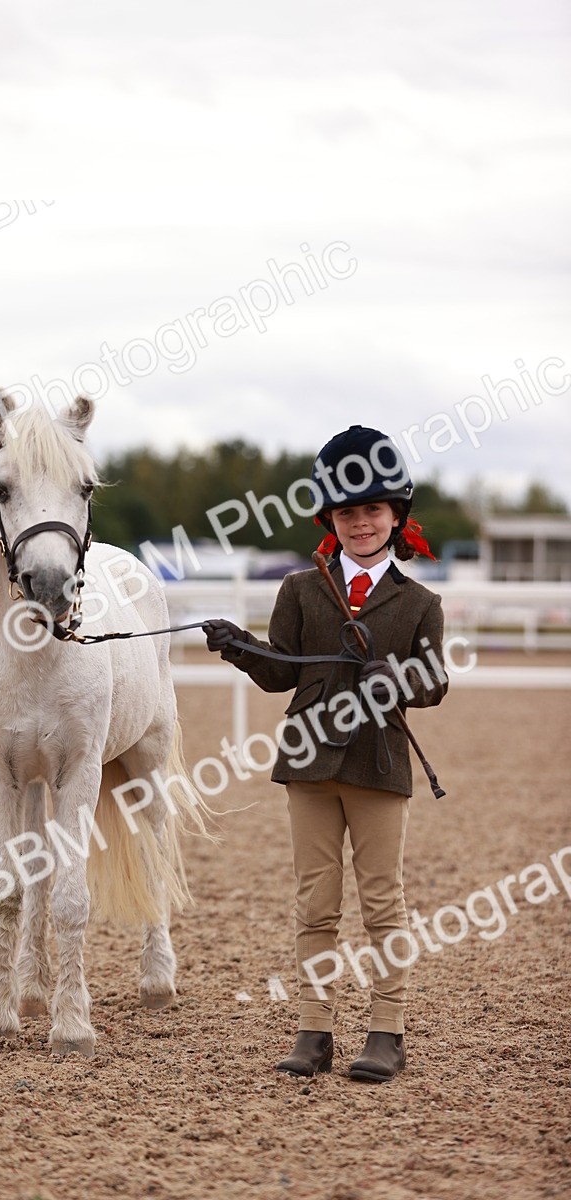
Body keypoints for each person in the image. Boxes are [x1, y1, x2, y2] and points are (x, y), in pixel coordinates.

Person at [203, 425, 448, 1083]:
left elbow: (436, 681)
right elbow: (283, 670)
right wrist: (239, 646)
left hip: (379, 765)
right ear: (330, 518)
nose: (361, 523)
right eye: (348, 512)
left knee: (382, 901)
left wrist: (393, 680)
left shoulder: (421, 603)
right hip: (309, 765)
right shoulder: (300, 590)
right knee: (315, 902)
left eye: (373, 510)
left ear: (397, 516)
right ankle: (314, 1029)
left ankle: (387, 1031)